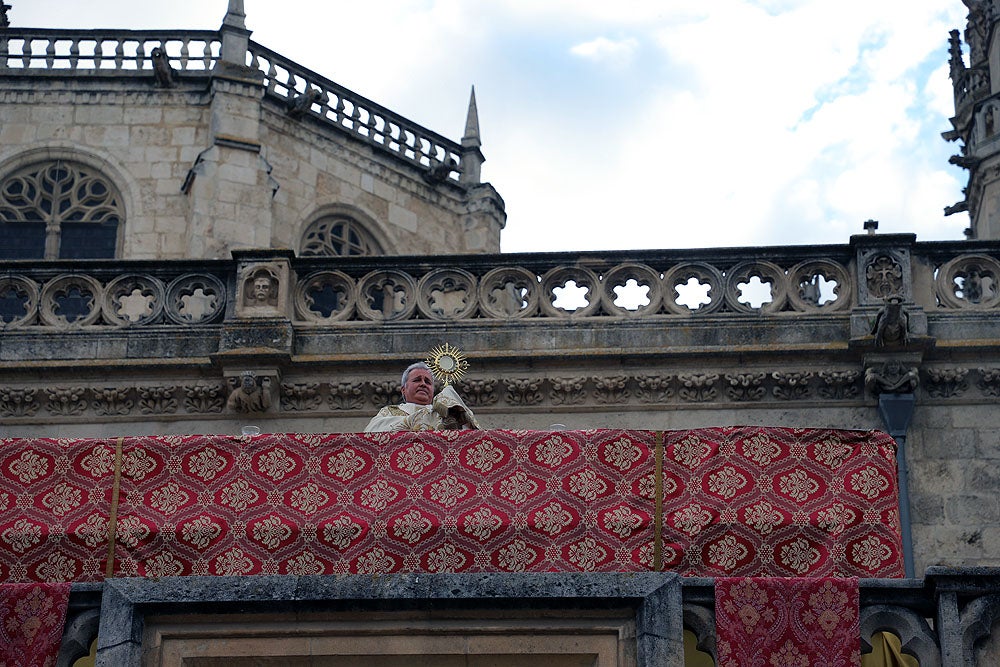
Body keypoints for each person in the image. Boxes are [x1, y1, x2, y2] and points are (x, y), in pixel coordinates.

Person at [364, 362, 479, 432]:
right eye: (417, 380)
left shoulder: (443, 412)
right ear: (403, 389)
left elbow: (468, 433)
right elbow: (371, 432)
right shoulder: (390, 412)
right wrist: (422, 419)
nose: (423, 384)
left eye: (428, 382)